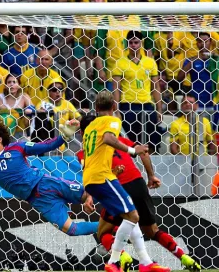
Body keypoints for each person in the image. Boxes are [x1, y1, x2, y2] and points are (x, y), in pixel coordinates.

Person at [77, 114, 201, 272]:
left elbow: (93, 174)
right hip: (138, 183)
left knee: (103, 231)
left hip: (117, 187)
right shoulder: (120, 140)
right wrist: (151, 175)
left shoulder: (84, 151)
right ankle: (183, 257)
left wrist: (89, 197)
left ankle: (120, 257)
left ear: (82, 133)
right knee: (152, 230)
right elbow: (143, 152)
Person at [81, 90, 169, 272]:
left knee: (130, 216)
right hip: (103, 176)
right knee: (133, 217)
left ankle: (146, 263)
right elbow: (108, 138)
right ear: (114, 107)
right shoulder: (112, 121)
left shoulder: (90, 127)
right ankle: (114, 261)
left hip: (91, 178)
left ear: (96, 108)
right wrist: (132, 151)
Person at [112, 30, 162, 154]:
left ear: (141, 43)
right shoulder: (120, 63)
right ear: (127, 44)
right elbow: (116, 88)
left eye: (136, 42)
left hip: (146, 103)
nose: (133, 45)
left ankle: (149, 163)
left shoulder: (150, 62)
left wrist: (159, 109)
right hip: (128, 104)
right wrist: (117, 110)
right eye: (131, 42)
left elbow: (155, 87)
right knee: (131, 140)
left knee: (152, 139)